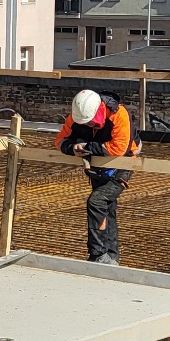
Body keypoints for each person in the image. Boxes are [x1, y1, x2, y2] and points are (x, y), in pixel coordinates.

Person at [53, 88, 136, 264]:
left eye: (90, 122)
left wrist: (88, 147)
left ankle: (97, 254)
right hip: (98, 168)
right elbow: (60, 140)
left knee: (97, 201)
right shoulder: (76, 116)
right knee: (106, 209)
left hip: (123, 165)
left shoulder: (118, 115)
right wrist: (72, 148)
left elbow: (119, 149)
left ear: (99, 110)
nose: (88, 126)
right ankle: (111, 257)